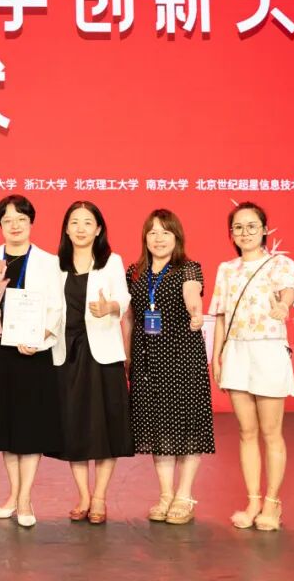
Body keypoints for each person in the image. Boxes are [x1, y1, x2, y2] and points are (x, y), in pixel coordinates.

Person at [211, 202, 294, 532]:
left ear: (264, 230)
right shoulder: (226, 269)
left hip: (268, 349)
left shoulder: (280, 264)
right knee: (246, 432)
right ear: (231, 233)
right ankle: (253, 501)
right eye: (238, 227)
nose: (245, 232)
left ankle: (272, 503)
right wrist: (216, 356)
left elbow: (288, 291)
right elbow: (221, 315)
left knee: (271, 432)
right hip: (236, 351)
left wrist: (284, 305)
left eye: (252, 226)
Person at [0, 195, 63, 528]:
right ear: (0, 224)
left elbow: (57, 308)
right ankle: (12, 496)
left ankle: (25, 499)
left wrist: (40, 338)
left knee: (29, 428)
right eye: (8, 220)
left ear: (31, 223)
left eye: (21, 219)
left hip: (32, 353)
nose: (15, 225)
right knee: (5, 427)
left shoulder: (48, 262)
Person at [124, 209, 214, 525]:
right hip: (146, 359)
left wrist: (196, 312)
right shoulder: (134, 272)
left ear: (177, 237)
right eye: (153, 232)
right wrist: (127, 356)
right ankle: (165, 494)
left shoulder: (188, 268)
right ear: (144, 238)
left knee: (187, 426)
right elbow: (129, 317)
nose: (159, 238)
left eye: (165, 232)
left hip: (182, 358)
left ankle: (184, 495)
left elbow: (192, 294)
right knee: (157, 426)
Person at [50, 200, 134, 524]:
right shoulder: (55, 265)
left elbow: (123, 298)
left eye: (88, 222)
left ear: (98, 229)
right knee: (74, 426)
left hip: (103, 354)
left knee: (105, 427)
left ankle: (99, 497)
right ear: (66, 229)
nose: (81, 228)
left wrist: (109, 307)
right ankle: (83, 495)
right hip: (67, 353)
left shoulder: (111, 261)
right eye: (74, 222)